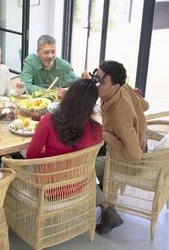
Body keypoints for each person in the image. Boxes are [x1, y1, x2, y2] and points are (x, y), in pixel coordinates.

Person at [26, 78, 123, 234]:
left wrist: (48, 154)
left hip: (49, 189)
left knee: (14, 160)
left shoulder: (48, 121)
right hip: (79, 185)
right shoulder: (96, 130)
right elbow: (88, 158)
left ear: (68, 95)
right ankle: (106, 207)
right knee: (91, 166)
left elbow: (31, 156)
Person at [95, 60, 149, 164]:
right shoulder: (124, 87)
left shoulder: (119, 116)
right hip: (140, 140)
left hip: (125, 162)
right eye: (96, 78)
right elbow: (145, 106)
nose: (96, 84)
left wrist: (105, 134)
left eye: (102, 82)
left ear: (115, 87)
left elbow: (135, 157)